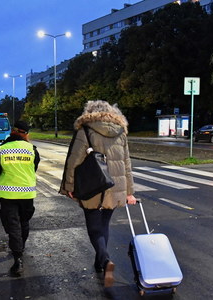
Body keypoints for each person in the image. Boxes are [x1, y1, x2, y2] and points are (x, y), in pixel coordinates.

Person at [59, 100, 137, 288]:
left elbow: (74, 161)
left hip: (93, 186)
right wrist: (129, 192)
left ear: (90, 112)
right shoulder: (120, 132)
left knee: (94, 228)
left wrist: (69, 186)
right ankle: (99, 261)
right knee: (104, 226)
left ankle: (105, 260)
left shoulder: (85, 130)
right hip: (115, 186)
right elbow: (127, 164)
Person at [0, 120, 40, 277]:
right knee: (24, 223)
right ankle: (20, 248)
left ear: (13, 132)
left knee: (13, 226)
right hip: (27, 194)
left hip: (8, 195)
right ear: (25, 134)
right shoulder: (32, 149)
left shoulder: (2, 149)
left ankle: (18, 259)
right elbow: (34, 167)